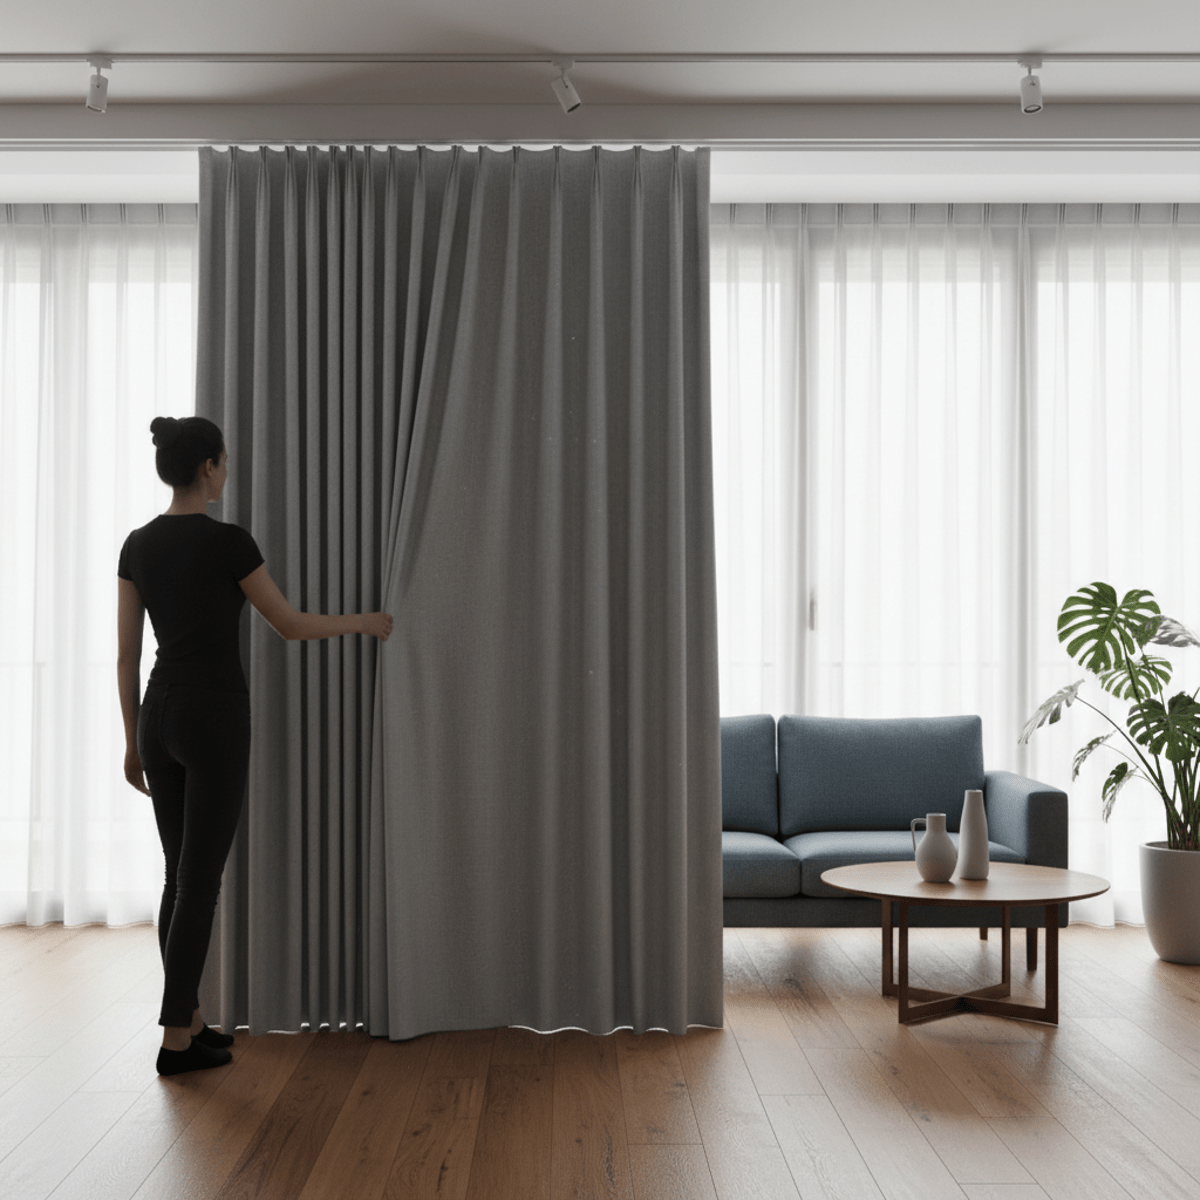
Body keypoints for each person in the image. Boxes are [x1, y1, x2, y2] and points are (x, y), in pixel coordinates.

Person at [116, 415, 392, 1076]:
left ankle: (192, 1020)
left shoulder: (137, 544)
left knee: (178, 875)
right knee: (197, 883)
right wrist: (367, 623)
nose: (228, 467)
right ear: (209, 466)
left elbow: (126, 656)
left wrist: (131, 742)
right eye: (226, 459)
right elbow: (290, 625)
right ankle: (174, 1042)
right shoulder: (228, 542)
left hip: (159, 713)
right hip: (212, 717)